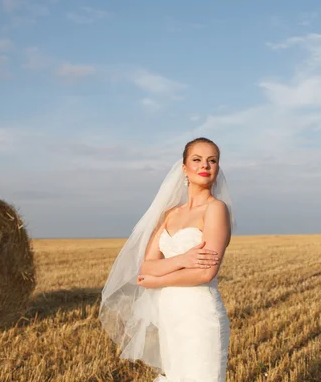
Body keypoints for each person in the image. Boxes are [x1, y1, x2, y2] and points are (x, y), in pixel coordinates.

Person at [99, 137, 236, 382]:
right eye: (197, 160)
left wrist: (157, 281)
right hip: (171, 314)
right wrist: (184, 258)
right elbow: (146, 265)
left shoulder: (216, 209)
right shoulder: (170, 214)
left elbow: (205, 273)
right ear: (184, 168)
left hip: (199, 314)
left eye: (212, 161)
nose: (205, 165)